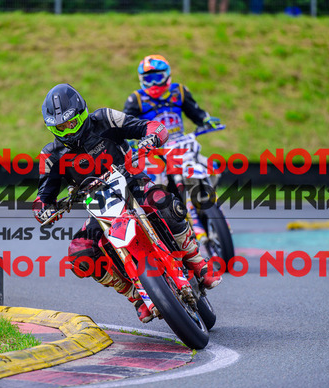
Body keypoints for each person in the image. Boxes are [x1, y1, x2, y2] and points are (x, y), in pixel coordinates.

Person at [34, 84, 221, 323]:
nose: (67, 130)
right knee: (80, 254)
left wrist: (152, 137)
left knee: (165, 203)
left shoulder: (105, 118)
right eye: (60, 127)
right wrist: (44, 210)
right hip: (99, 205)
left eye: (71, 123)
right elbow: (42, 197)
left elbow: (150, 127)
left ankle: (197, 262)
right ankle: (135, 296)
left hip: (133, 183)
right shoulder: (50, 155)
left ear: (81, 114)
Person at [123, 54, 222, 242]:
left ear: (167, 76)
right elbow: (127, 125)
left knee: (211, 168)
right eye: (148, 79)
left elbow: (196, 113)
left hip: (181, 145)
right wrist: (132, 140)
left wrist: (206, 120)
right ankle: (163, 226)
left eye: (157, 78)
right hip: (155, 149)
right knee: (154, 188)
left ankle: (210, 204)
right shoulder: (135, 99)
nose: (153, 83)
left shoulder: (179, 92)